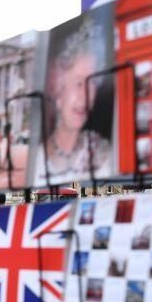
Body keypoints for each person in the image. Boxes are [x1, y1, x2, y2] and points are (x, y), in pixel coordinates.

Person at [33, 10, 113, 187]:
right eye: (78, 83)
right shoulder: (34, 160)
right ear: (58, 86)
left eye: (92, 83)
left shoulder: (105, 154)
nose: (86, 95)